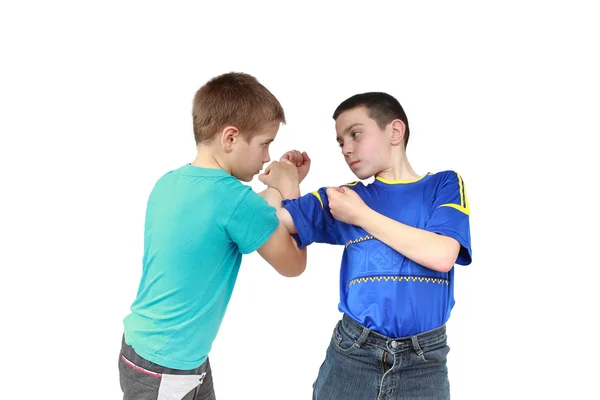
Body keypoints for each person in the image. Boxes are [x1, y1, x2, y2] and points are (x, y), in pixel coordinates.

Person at [263, 92, 473, 399]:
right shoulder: (342, 198)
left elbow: (442, 255)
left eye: (355, 134)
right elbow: (272, 222)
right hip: (354, 355)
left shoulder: (443, 185)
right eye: (340, 142)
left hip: (424, 362)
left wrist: (361, 215)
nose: (347, 149)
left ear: (395, 132)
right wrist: (286, 182)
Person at [118, 72, 309, 400]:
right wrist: (291, 188)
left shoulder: (170, 182)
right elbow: (293, 264)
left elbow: (245, 216)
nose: (267, 157)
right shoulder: (235, 201)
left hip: (147, 351)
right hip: (169, 367)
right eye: (265, 144)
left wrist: (278, 188)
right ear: (230, 138)